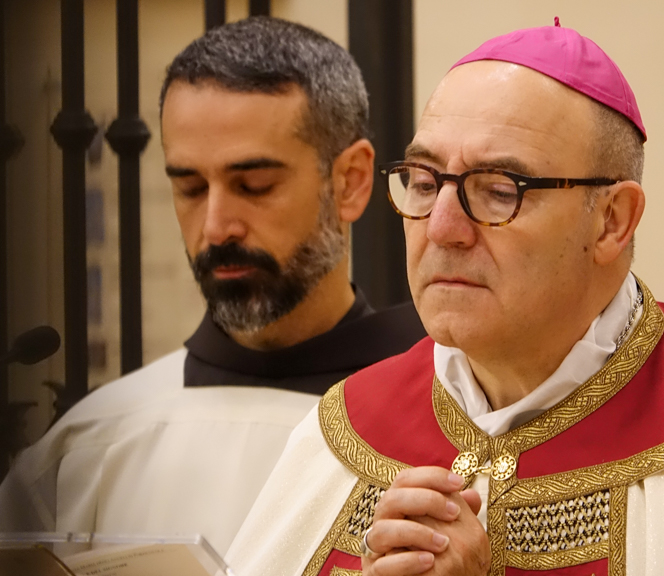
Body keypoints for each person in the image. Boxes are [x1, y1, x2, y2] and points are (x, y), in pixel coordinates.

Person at [226, 22, 664, 576]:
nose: (442, 228)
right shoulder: (341, 434)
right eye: (423, 182)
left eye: (499, 190)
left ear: (612, 221)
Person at [0, 17, 424, 556]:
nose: (217, 227)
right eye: (191, 188)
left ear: (351, 182)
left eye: (254, 184)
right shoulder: (91, 447)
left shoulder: (452, 422)